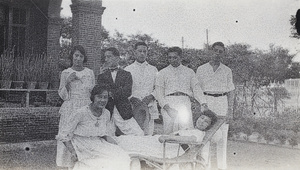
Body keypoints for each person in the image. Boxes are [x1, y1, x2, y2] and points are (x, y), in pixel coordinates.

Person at [56, 85, 131, 170]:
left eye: (105, 97)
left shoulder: (106, 113)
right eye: (99, 97)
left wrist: (116, 146)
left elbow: (105, 134)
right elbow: (63, 134)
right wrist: (73, 151)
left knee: (123, 156)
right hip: (81, 145)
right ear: (93, 97)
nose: (103, 100)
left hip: (97, 143)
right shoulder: (80, 113)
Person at [115, 110, 218, 169]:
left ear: (208, 126)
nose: (202, 122)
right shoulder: (192, 129)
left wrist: (168, 137)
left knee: (131, 142)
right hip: (168, 144)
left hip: (169, 148)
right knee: (133, 140)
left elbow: (190, 139)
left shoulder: (199, 133)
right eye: (202, 118)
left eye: (206, 122)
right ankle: (109, 142)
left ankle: (107, 144)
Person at [196, 41, 235, 170]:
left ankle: (221, 167)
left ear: (223, 54)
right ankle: (204, 166)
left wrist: (230, 110)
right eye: (215, 50)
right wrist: (202, 103)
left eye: (220, 51)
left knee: (222, 138)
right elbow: (197, 89)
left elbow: (231, 91)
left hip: (222, 101)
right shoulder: (201, 69)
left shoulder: (227, 70)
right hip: (207, 101)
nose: (217, 54)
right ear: (211, 51)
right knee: (205, 135)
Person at [56, 45, 95, 168]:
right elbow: (62, 95)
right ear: (72, 57)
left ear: (84, 58)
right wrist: (68, 81)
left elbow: (93, 92)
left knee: (84, 134)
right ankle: (67, 165)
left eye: (81, 56)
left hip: (86, 106)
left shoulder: (89, 73)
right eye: (76, 55)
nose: (78, 58)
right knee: (67, 134)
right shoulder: (66, 73)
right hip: (70, 107)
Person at [155, 46, 208, 134]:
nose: (172, 60)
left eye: (175, 57)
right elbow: (159, 94)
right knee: (169, 132)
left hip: (184, 102)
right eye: (170, 57)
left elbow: (196, 88)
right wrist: (168, 109)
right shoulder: (162, 73)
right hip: (168, 103)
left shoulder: (189, 72)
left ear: (180, 57)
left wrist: (203, 103)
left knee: (185, 130)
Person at [97, 47, 144, 136]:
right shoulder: (101, 76)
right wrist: (117, 91)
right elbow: (101, 92)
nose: (106, 59)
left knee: (138, 134)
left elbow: (127, 92)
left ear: (117, 58)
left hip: (123, 110)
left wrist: (111, 93)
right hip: (107, 111)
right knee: (107, 136)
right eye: (105, 57)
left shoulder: (126, 74)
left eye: (109, 57)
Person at [124, 42, 159, 135]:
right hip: (133, 105)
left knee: (148, 133)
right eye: (140, 51)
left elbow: (158, 88)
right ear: (135, 52)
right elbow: (124, 89)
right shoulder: (128, 69)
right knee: (135, 133)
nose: (142, 53)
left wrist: (151, 96)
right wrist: (131, 98)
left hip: (149, 105)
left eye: (145, 51)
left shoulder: (153, 69)